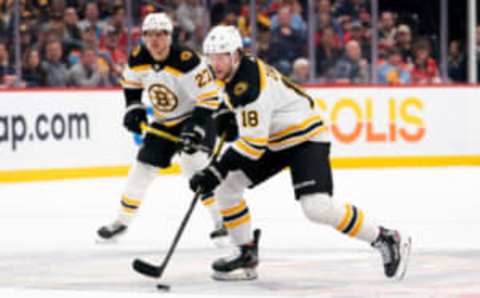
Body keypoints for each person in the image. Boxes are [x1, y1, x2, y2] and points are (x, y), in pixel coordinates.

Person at [189, 25, 412, 281]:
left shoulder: (250, 86)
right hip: (274, 139)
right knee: (227, 188)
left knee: (316, 207)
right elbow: (227, 98)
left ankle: (384, 238)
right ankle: (245, 254)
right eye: (212, 57)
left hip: (305, 137)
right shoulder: (233, 70)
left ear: (236, 54)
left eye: (222, 56)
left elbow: (252, 146)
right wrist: (226, 113)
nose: (215, 63)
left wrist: (215, 169)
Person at [96, 13, 226, 243]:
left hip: (197, 116)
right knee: (141, 169)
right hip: (165, 121)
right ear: (143, 37)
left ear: (170, 36)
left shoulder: (187, 60)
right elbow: (131, 83)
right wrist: (133, 106)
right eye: (150, 34)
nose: (155, 40)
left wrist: (195, 127)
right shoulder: (138, 57)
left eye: (161, 34)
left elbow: (209, 97)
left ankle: (222, 220)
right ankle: (122, 222)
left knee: (195, 166)